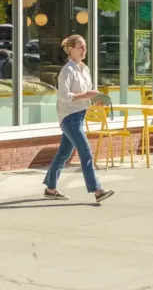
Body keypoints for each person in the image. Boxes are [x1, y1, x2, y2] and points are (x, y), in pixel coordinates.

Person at [43, 34, 115, 203]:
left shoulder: (85, 69)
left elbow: (87, 93)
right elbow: (64, 96)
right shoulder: (66, 71)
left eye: (85, 47)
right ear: (70, 49)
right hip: (69, 117)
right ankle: (97, 190)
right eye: (80, 47)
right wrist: (86, 95)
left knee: (63, 154)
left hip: (80, 115)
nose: (84, 50)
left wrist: (94, 99)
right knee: (86, 152)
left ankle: (50, 188)